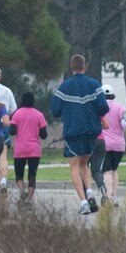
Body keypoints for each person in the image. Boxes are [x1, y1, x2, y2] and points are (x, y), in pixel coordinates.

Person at [51, 55, 108, 214]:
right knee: (84, 164)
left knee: (74, 166)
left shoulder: (64, 87)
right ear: (85, 66)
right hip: (91, 132)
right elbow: (103, 107)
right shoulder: (94, 84)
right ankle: (89, 191)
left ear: (71, 67)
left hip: (73, 131)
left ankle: (83, 203)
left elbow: (55, 110)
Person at [8, 92, 48, 202]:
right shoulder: (39, 115)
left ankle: (23, 191)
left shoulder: (17, 114)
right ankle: (30, 200)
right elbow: (44, 135)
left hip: (20, 149)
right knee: (32, 175)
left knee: (19, 175)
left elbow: (12, 132)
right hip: (34, 150)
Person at [97, 85, 126, 202]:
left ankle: (108, 196)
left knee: (106, 171)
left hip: (105, 144)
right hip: (119, 145)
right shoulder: (120, 107)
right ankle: (114, 196)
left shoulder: (99, 108)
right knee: (114, 170)